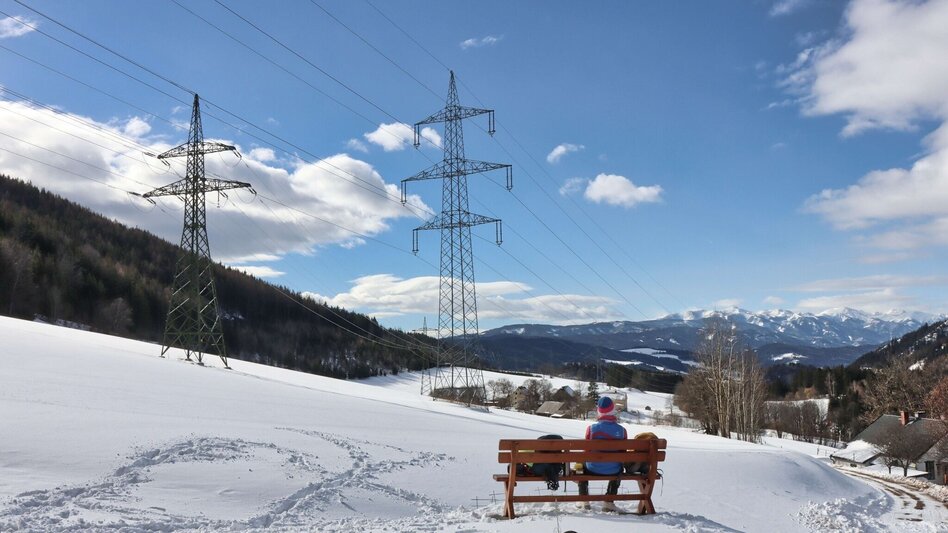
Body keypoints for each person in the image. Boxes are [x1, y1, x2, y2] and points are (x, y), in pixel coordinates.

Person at [577, 396, 627, 511]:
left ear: (598, 410)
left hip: (592, 468)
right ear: (612, 410)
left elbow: (586, 451)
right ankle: (609, 502)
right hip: (614, 470)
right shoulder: (622, 431)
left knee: (580, 465)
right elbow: (623, 454)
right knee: (618, 466)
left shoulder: (591, 429)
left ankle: (584, 500)